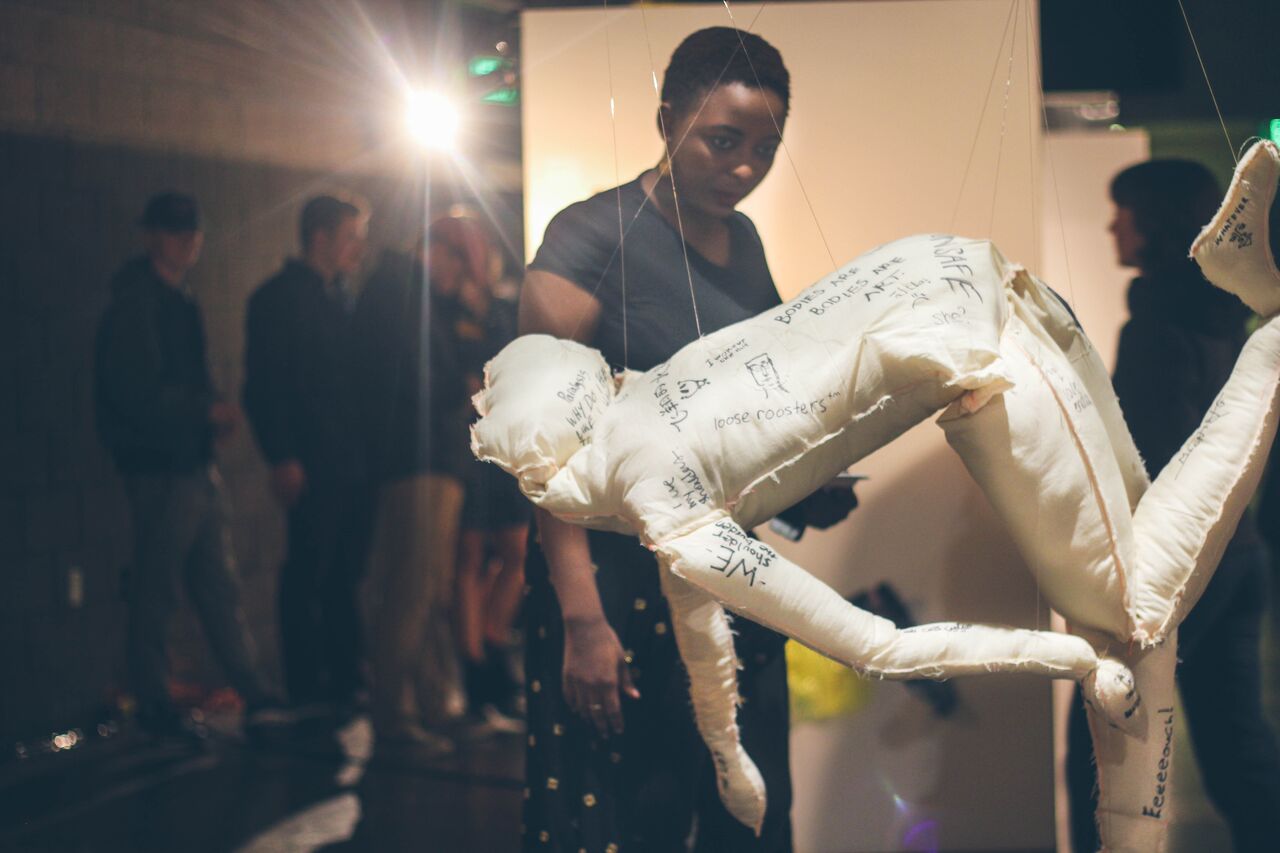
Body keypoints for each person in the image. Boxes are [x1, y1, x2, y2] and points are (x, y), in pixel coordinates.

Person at [518, 27, 854, 851]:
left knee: (750, 811)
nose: (744, 168)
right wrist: (582, 618)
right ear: (667, 120)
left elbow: (746, 410)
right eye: (724, 141)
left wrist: (804, 482)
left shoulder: (746, 241)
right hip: (614, 580)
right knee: (632, 816)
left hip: (725, 567)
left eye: (765, 148)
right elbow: (546, 450)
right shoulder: (590, 236)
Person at [1066, 159, 1280, 852]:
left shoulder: (1157, 324)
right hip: (1238, 553)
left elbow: (1153, 458)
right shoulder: (1225, 316)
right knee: (1240, 753)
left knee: (1098, 751)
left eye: (1122, 211)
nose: (1112, 227)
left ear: (1154, 220)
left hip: (1183, 565)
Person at [94, 192, 281, 738]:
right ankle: (153, 699)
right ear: (152, 236)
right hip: (161, 468)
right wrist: (206, 411)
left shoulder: (177, 300)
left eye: (193, 233)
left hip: (190, 464)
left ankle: (251, 689)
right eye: (178, 233)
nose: (189, 243)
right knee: (158, 589)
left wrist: (208, 416)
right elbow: (136, 392)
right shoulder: (139, 305)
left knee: (216, 584)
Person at [242, 194, 374, 720]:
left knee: (345, 570)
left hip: (350, 458)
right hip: (312, 458)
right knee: (309, 569)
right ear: (319, 238)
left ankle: (344, 676)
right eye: (350, 237)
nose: (358, 249)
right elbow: (265, 386)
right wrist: (282, 455)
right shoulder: (277, 300)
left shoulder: (342, 297)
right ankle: (306, 683)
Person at [354, 216, 476, 752]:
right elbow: (411, 372)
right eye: (458, 264)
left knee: (429, 587)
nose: (459, 278)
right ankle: (395, 713)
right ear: (435, 251)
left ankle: (432, 705)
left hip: (427, 458)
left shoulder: (417, 297)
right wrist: (461, 387)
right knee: (412, 586)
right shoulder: (400, 293)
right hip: (417, 459)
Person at [453, 233, 530, 729]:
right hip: (464, 446)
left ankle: (492, 640)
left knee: (517, 553)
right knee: (469, 557)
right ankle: (476, 670)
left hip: (504, 444)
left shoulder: (504, 311)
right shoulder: (445, 311)